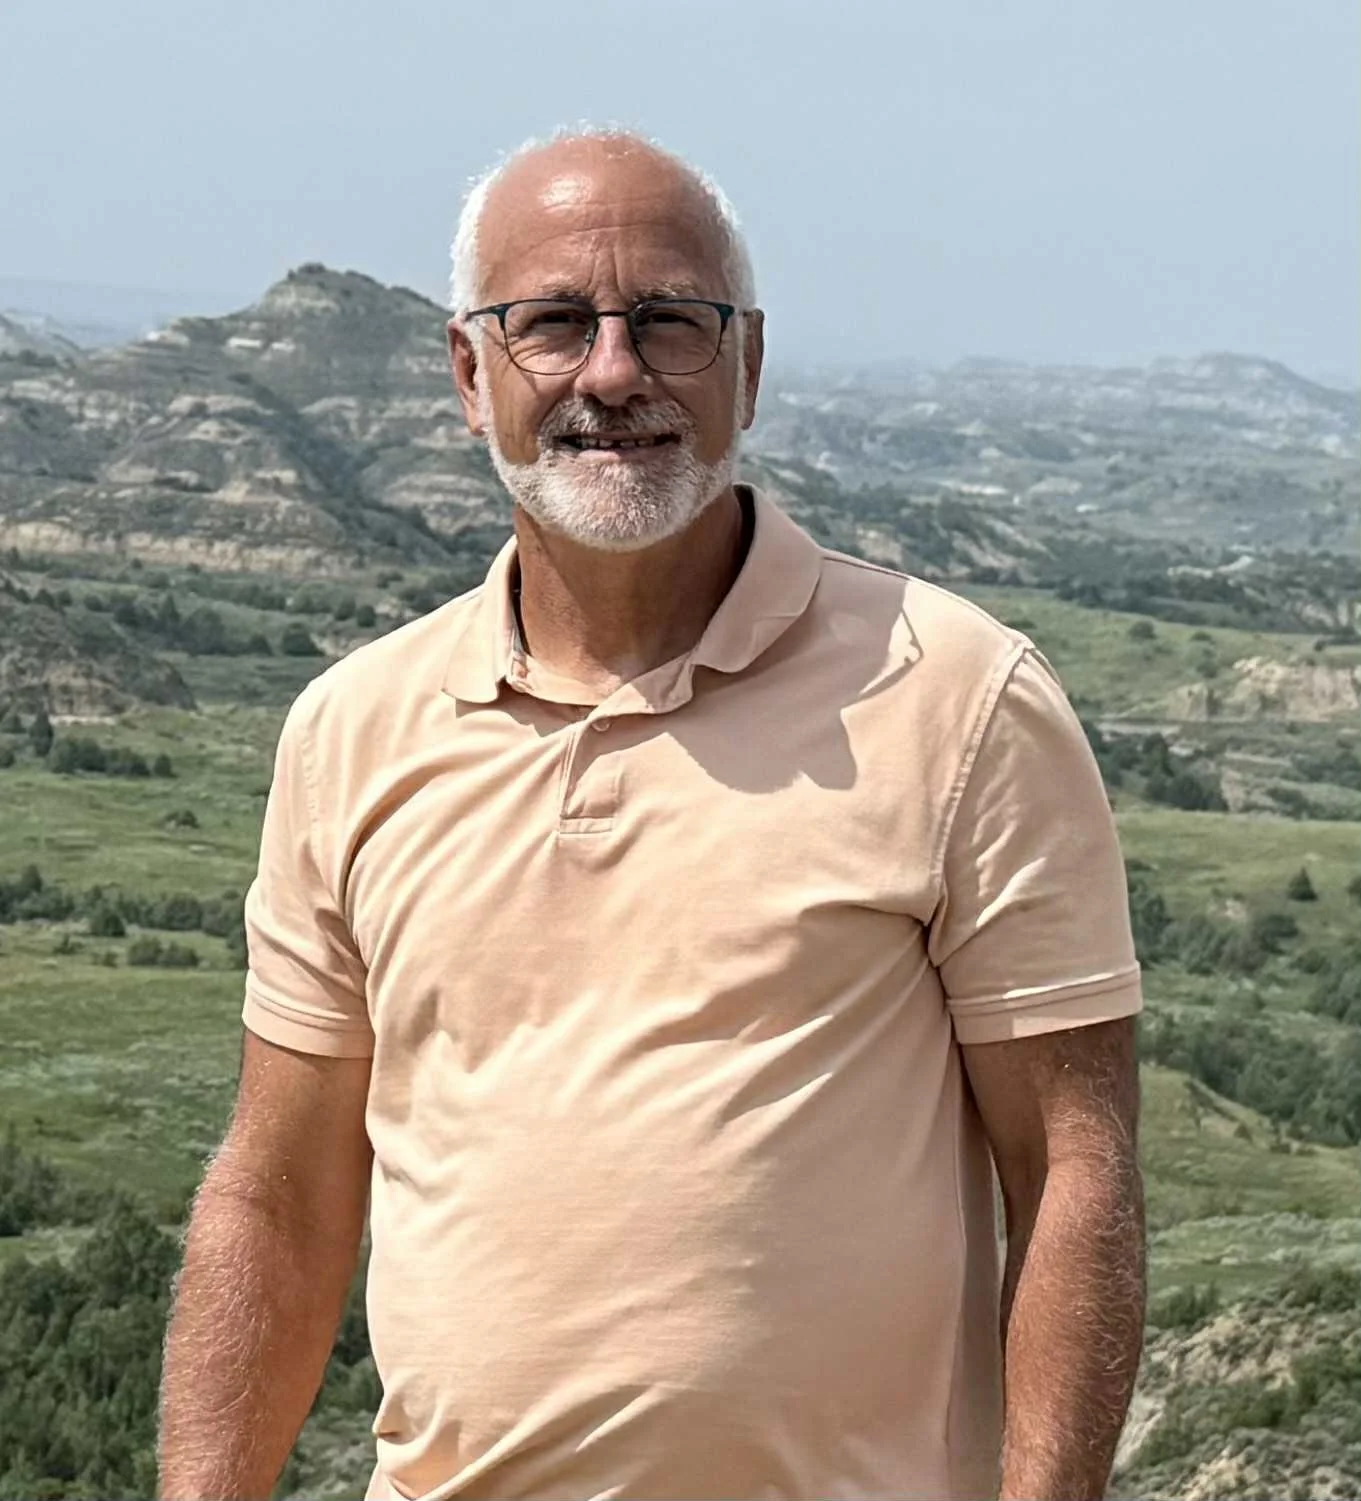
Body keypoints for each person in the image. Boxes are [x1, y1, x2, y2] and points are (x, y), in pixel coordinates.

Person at [158, 129, 1146, 1501]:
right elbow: (279, 1194)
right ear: (469, 373)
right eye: (554, 323)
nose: (612, 374)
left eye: (669, 323)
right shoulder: (351, 729)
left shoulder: (965, 698)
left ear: (748, 365)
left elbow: (1074, 1175)